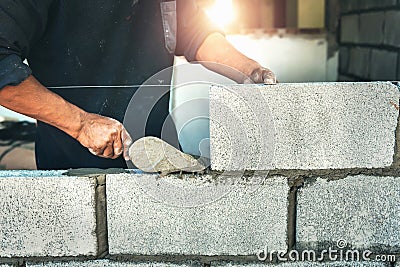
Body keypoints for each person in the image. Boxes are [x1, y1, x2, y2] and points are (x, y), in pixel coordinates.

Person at [0, 0, 276, 170]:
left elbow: (194, 32)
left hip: (153, 165)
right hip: (70, 173)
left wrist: (249, 70)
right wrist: (82, 124)